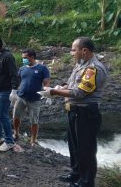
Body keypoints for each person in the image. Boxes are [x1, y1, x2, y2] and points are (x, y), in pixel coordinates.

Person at [38, 37, 107, 187]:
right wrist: (60, 87)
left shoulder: (93, 68)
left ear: (84, 51)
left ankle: (86, 182)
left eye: (74, 49)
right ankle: (76, 174)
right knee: (74, 146)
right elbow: (71, 84)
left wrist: (55, 92)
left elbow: (80, 92)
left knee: (86, 149)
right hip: (74, 111)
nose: (71, 53)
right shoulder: (80, 65)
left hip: (86, 112)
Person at [13, 49, 50, 146]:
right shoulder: (22, 68)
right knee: (16, 116)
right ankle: (16, 133)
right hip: (21, 97)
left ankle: (33, 140)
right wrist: (13, 92)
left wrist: (47, 91)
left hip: (35, 99)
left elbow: (46, 82)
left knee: (34, 120)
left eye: (25, 58)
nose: (23, 60)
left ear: (32, 57)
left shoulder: (42, 68)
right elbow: (18, 81)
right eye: (23, 58)